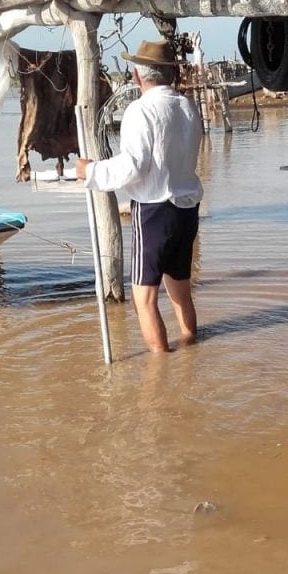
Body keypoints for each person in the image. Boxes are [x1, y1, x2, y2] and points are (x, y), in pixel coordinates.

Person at [76, 39, 203, 353]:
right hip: (186, 209)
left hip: (154, 209)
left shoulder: (140, 110)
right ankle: (190, 353)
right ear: (170, 74)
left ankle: (159, 372)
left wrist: (90, 171)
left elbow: (133, 166)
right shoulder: (188, 106)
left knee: (143, 299)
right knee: (180, 293)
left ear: (137, 76)